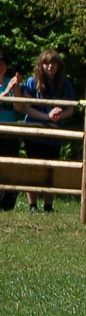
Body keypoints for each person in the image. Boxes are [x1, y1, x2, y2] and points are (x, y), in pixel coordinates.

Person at [21, 48, 79, 212]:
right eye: (46, 63)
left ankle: (48, 205)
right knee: (32, 168)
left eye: (53, 63)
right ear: (41, 65)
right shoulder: (32, 82)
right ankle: (32, 205)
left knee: (50, 170)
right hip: (33, 132)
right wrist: (47, 117)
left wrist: (59, 115)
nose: (50, 66)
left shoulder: (64, 84)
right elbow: (26, 107)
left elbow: (71, 108)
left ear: (58, 66)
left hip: (54, 134)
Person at [0, 53, 19, 211]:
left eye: (2, 64)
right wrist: (6, 91)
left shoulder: (10, 83)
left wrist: (16, 88)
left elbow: (19, 107)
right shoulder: (7, 86)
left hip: (10, 132)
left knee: (10, 167)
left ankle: (7, 203)